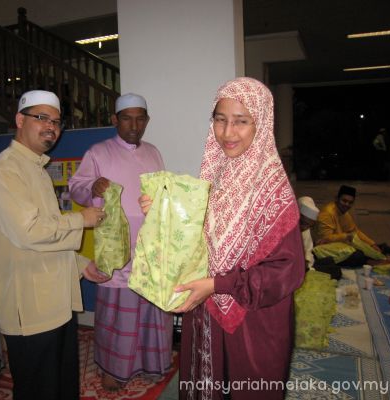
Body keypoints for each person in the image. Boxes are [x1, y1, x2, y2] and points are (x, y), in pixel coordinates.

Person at [141, 77, 305, 399]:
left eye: (241, 121)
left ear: (261, 123)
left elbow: (287, 271)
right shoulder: (213, 175)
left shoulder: (274, 193)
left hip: (254, 321)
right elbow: (197, 239)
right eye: (220, 119)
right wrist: (163, 213)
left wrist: (218, 285)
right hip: (207, 313)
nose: (228, 133)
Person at [0, 90, 108, 399]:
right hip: (31, 307)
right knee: (39, 388)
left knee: (61, 383)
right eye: (41, 118)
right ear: (19, 120)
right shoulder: (6, 170)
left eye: (56, 121)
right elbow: (30, 232)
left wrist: (81, 265)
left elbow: (48, 230)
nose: (51, 127)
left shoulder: (34, 167)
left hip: (55, 300)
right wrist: (81, 219)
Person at [68, 93, 173, 391]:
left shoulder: (154, 152)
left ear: (147, 121)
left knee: (151, 310)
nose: (134, 125)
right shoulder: (98, 152)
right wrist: (93, 186)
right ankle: (114, 368)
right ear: (115, 120)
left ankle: (152, 364)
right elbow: (76, 188)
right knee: (119, 314)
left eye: (140, 119)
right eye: (127, 118)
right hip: (116, 247)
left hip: (150, 247)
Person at [316, 185, 383, 267]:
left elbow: (355, 231)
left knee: (373, 248)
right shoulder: (327, 213)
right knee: (358, 255)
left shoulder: (344, 212)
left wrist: (372, 244)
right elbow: (325, 239)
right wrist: (346, 236)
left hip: (337, 245)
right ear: (337, 199)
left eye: (350, 202)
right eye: (344, 201)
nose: (347, 205)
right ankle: (370, 261)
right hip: (323, 250)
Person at [298, 196, 342, 280]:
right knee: (335, 271)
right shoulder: (287, 229)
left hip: (305, 265)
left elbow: (308, 250)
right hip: (295, 269)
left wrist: (307, 261)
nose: (305, 227)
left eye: (309, 226)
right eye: (303, 223)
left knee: (330, 261)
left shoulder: (305, 229)